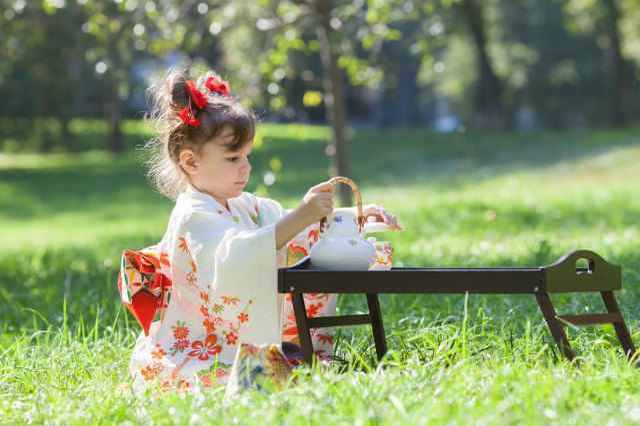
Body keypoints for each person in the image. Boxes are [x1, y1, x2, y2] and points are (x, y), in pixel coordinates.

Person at [116, 69, 400, 393]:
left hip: (232, 339)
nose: (246, 167)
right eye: (233, 157)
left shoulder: (241, 203)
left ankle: (277, 357)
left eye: (247, 156)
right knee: (224, 378)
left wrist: (350, 218)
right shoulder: (193, 214)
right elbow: (235, 255)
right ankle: (250, 365)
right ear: (190, 161)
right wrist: (303, 215)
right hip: (204, 342)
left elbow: (287, 226)